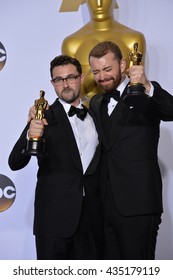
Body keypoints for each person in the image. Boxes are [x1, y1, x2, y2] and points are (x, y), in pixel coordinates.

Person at [8, 55, 103, 260]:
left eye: (70, 77)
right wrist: (29, 134)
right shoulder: (44, 116)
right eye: (58, 80)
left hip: (91, 222)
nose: (65, 84)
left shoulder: (94, 116)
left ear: (81, 77)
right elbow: (14, 162)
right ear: (52, 83)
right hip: (53, 223)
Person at [88, 40, 173, 260]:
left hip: (139, 204)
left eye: (107, 69)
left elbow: (171, 111)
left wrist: (146, 85)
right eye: (96, 71)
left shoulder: (147, 92)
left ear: (123, 65)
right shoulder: (96, 102)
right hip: (106, 205)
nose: (102, 76)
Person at [61, 0, 145, 103]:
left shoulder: (133, 39)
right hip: (89, 114)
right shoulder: (72, 44)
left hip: (127, 113)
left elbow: (137, 86)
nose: (99, 3)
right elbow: (71, 92)